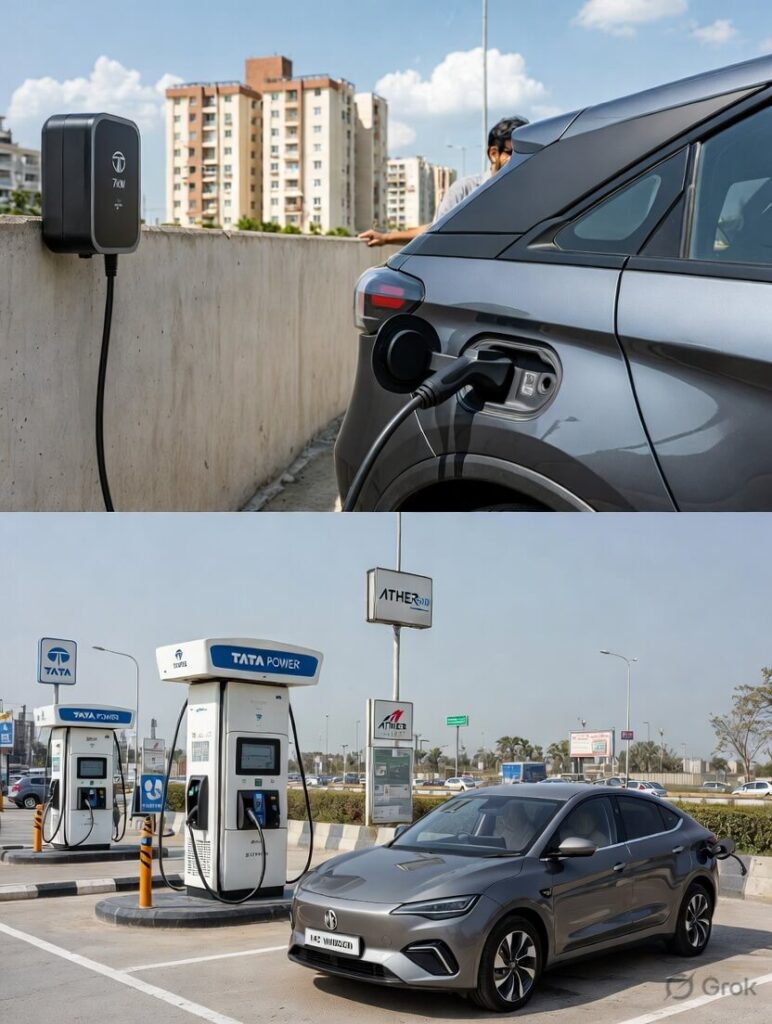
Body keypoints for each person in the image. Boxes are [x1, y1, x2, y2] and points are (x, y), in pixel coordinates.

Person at [358, 115, 529, 248]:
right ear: (493, 154)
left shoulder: (530, 195)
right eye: (513, 153)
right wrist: (387, 238)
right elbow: (435, 232)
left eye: (527, 153)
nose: (521, 159)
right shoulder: (465, 190)